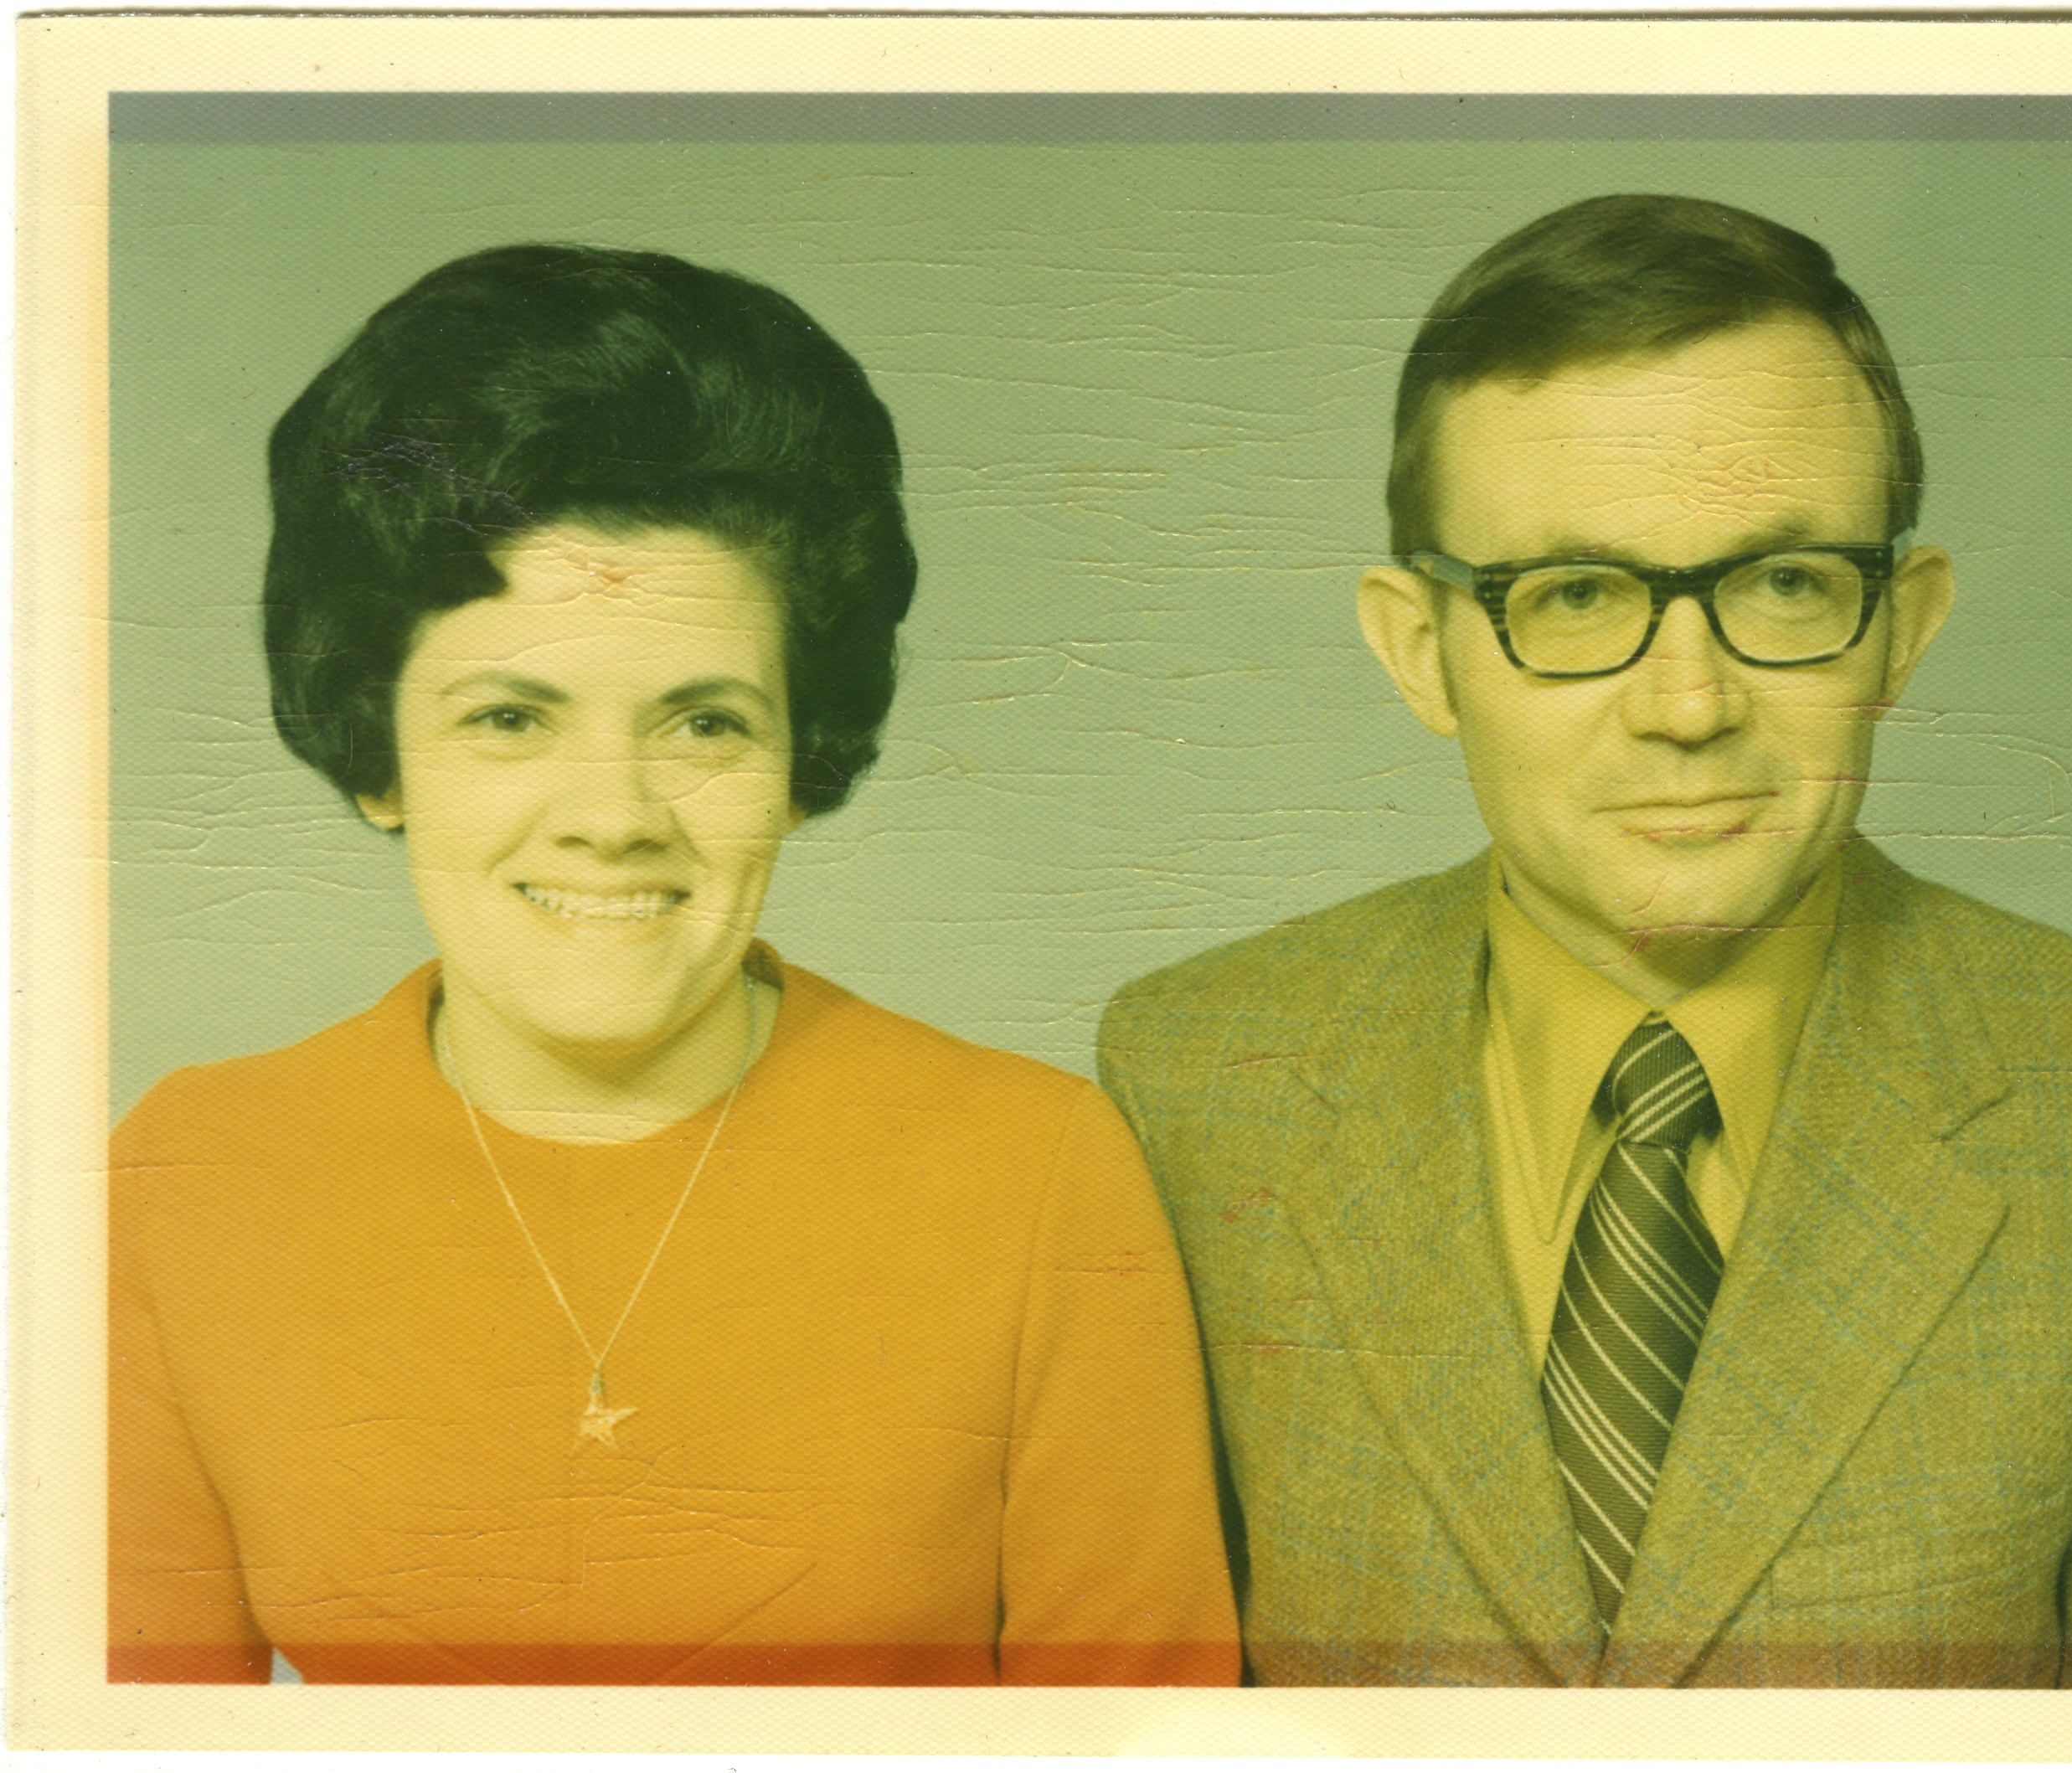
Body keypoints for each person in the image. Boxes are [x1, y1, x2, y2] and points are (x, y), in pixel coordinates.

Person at [1097, 193, 2072, 1688]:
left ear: (1901, 624)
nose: (1688, 705)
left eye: (1783, 582)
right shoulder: (1193, 1081)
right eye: (1574, 595)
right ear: (1418, 650)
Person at [111, 244, 1236, 1686]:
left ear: (800, 759)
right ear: (375, 752)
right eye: (509, 717)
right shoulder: (189, 1175)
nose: (614, 816)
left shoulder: (1034, 1168)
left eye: (703, 723)